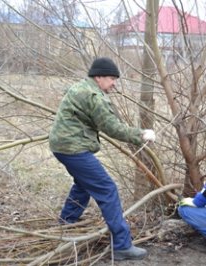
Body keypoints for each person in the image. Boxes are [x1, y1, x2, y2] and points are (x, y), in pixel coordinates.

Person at [49, 57, 156, 261]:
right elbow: (112, 127)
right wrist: (141, 135)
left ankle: (67, 221)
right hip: (73, 148)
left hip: (61, 146)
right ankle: (123, 245)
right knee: (107, 189)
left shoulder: (80, 87)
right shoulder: (94, 95)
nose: (114, 83)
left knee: (83, 183)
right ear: (98, 77)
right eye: (111, 78)